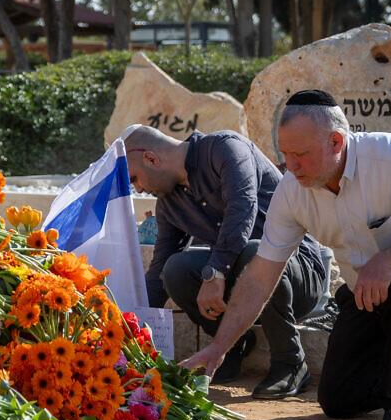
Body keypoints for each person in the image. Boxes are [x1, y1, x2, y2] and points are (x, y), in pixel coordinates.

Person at [183, 90, 391, 420]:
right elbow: (260, 276)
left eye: (301, 154)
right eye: (285, 153)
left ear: (336, 141)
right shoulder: (292, 190)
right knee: (340, 399)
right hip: (370, 292)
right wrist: (219, 347)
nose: (289, 166)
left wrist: (388, 259)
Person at [123, 125, 328, 399]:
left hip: (298, 275)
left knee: (256, 253)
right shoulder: (169, 204)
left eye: (135, 178)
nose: (138, 189)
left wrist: (215, 272)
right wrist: (127, 328)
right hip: (242, 284)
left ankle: (290, 362)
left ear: (151, 158)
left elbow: (242, 211)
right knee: (175, 270)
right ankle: (232, 348)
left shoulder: (225, 148)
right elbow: (158, 270)